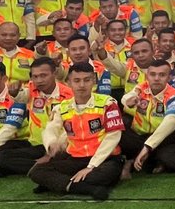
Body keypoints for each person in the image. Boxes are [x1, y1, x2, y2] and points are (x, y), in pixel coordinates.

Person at [27, 62, 124, 199]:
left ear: (94, 81)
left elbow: (113, 136)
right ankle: (84, 188)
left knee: (101, 175)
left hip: (105, 158)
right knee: (36, 171)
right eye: (77, 81)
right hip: (75, 158)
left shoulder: (108, 103)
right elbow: (51, 129)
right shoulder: (62, 108)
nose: (82, 85)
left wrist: (91, 166)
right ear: (69, 82)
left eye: (87, 80)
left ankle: (59, 183)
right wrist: (51, 143)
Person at [0, 57, 73, 176]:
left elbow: (71, 129)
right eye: (35, 76)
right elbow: (20, 96)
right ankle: (44, 167)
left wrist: (51, 152)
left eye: (43, 75)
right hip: (36, 144)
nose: (39, 80)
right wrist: (14, 93)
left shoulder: (69, 95)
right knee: (1, 156)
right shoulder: (32, 89)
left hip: (59, 147)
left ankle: (47, 166)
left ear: (54, 73)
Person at [120, 58, 175, 179]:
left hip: (161, 138)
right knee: (120, 130)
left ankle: (142, 159)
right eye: (153, 74)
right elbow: (127, 97)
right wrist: (128, 101)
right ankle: (138, 160)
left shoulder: (174, 96)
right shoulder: (142, 87)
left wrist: (148, 146)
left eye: (162, 75)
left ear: (169, 77)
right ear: (147, 76)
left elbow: (172, 120)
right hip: (139, 136)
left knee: (173, 133)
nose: (156, 78)